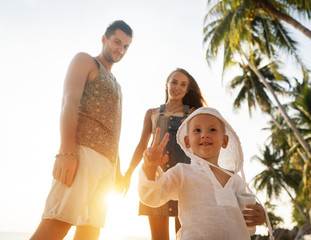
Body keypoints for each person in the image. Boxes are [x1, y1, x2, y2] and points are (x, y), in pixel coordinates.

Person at [30, 20, 133, 240]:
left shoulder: (118, 84)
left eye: (126, 46)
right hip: (82, 152)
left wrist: (118, 170)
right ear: (104, 39)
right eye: (117, 42)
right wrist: (66, 151)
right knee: (58, 222)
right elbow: (69, 101)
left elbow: (115, 128)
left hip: (107, 164)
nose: (121, 49)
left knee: (90, 231)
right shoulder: (85, 61)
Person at [139, 107, 274, 240]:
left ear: (225, 141)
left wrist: (260, 216)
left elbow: (248, 215)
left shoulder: (236, 180)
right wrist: (150, 167)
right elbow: (152, 196)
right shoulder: (182, 173)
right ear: (187, 141)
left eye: (212, 130)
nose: (205, 134)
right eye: (197, 130)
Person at [122, 68, 206, 240]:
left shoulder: (192, 114)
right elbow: (141, 145)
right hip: (156, 181)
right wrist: (129, 172)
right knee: (158, 237)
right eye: (174, 82)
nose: (177, 87)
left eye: (183, 84)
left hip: (183, 181)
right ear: (166, 84)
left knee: (184, 236)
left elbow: (201, 147)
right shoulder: (152, 113)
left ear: (187, 89)